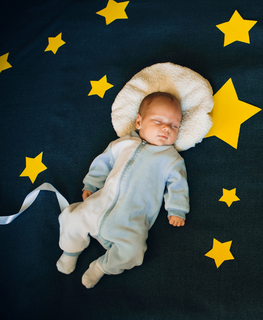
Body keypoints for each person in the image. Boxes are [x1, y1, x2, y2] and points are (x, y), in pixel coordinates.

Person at [56, 92, 189, 288]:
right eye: (158, 120)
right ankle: (70, 251)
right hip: (100, 204)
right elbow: (103, 163)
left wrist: (177, 209)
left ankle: (101, 267)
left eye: (174, 125)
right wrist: (91, 185)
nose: (166, 128)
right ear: (139, 122)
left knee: (134, 253)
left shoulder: (171, 159)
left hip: (131, 220)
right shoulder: (123, 144)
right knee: (71, 218)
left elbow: (178, 185)